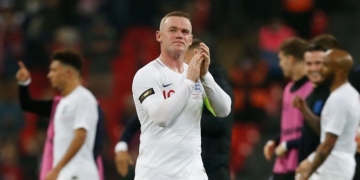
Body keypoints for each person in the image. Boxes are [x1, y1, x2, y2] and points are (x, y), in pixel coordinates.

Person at [131, 11, 231, 180]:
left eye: (185, 32)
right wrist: (190, 82)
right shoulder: (147, 75)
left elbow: (224, 110)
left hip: (193, 173)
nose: (179, 35)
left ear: (190, 40)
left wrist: (205, 76)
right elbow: (161, 117)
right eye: (173, 30)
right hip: (156, 173)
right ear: (159, 36)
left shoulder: (197, 74)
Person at [16, 49, 104, 180]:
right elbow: (28, 105)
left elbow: (81, 137)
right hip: (66, 173)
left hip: (79, 173)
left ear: (68, 73)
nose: (49, 75)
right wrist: (24, 84)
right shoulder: (61, 104)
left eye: (54, 70)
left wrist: (56, 169)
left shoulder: (84, 98)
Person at [295, 49, 360, 180]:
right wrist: (305, 110)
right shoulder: (346, 93)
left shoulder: (340, 99)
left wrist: (309, 172)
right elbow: (325, 131)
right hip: (336, 164)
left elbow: (329, 143)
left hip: (334, 167)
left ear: (339, 71)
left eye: (325, 65)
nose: (319, 69)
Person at [263, 37, 313, 180]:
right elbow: (289, 126)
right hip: (281, 164)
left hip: (301, 164)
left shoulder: (312, 89)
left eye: (281, 59)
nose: (280, 64)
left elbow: (313, 130)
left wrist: (287, 145)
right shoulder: (288, 89)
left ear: (291, 59)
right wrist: (276, 141)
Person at [292, 44, 330, 163]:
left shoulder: (334, 94)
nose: (313, 68)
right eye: (309, 64)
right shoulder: (310, 97)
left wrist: (305, 111)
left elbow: (328, 134)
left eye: (318, 63)